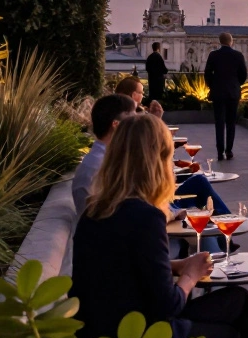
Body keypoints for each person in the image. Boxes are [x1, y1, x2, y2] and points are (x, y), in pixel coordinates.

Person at [72, 114, 248, 338]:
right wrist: (191, 275)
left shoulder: (95, 211)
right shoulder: (145, 217)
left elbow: (119, 270)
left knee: (239, 300)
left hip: (101, 330)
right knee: (229, 334)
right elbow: (168, 306)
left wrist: (174, 266)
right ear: (158, 160)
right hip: (137, 336)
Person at [73, 94, 230, 252]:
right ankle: (226, 242)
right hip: (135, 240)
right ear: (116, 125)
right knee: (200, 225)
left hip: (139, 228)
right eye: (133, 114)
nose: (138, 117)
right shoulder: (103, 166)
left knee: (198, 192)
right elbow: (128, 217)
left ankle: (225, 242)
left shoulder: (110, 159)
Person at [204, 32, 248, 161]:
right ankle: (229, 151)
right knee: (230, 123)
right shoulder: (238, 55)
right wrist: (235, 84)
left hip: (218, 92)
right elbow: (243, 75)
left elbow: (207, 74)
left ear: (220, 41)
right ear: (231, 41)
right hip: (233, 92)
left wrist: (213, 85)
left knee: (219, 123)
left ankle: (220, 152)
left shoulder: (213, 55)